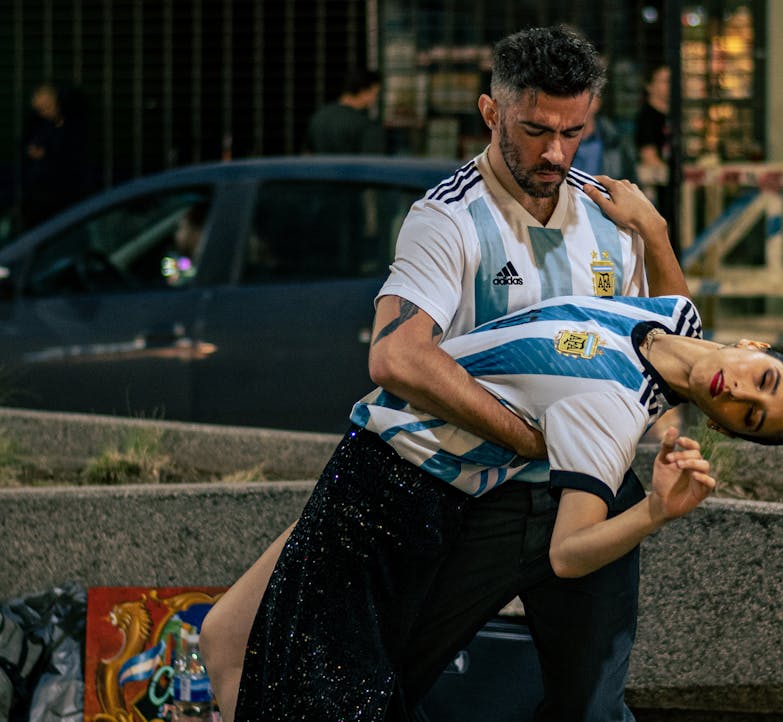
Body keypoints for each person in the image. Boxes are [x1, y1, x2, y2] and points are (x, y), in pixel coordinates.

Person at [202, 24, 690, 722]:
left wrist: (658, 235)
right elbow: (395, 356)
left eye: (573, 131)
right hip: (455, 493)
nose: (555, 151)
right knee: (307, 666)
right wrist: (531, 438)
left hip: (582, 490)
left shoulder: (612, 214)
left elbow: (669, 340)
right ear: (491, 113)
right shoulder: (448, 215)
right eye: (535, 130)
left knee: (592, 709)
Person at [216, 293, 783, 721]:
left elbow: (567, 553)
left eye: (750, 417)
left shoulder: (613, 412)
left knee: (307, 697)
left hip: (402, 490)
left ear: (727, 431)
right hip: (363, 464)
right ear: (756, 344)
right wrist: (654, 229)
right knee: (224, 638)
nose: (743, 392)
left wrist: (655, 513)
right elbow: (684, 322)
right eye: (765, 379)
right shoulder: (674, 314)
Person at [18, 81, 90, 230]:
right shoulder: (38, 125)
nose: (44, 111)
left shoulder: (71, 127)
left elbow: (70, 156)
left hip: (62, 195)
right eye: (40, 109)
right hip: (39, 196)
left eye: (47, 106)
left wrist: (46, 153)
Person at [303, 68, 385, 154]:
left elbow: (307, 155)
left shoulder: (319, 116)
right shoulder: (366, 125)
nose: (374, 99)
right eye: (375, 93)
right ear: (364, 91)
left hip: (319, 167)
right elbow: (371, 163)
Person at [634, 65, 673, 225]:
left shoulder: (675, 115)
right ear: (649, 86)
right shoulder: (646, 117)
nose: (670, 86)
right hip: (658, 188)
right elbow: (648, 156)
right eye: (665, 81)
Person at [573, 95, 638, 181]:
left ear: (597, 103)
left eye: (586, 97)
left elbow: (630, 181)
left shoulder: (615, 140)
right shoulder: (557, 142)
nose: (580, 105)